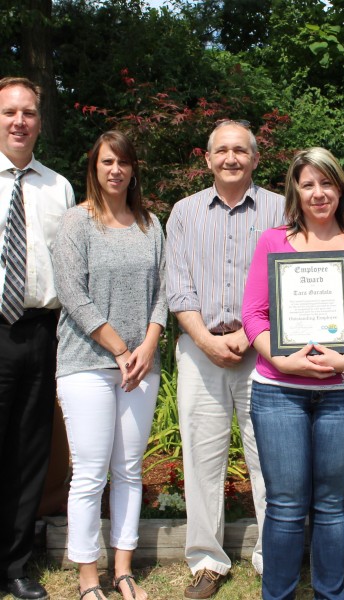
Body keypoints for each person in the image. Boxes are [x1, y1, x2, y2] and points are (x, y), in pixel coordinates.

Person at [242, 147, 344, 600]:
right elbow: (254, 315)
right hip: (279, 389)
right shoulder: (273, 242)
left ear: (340, 189)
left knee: (331, 505)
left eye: (326, 183)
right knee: (285, 505)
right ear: (296, 192)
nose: (318, 193)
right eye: (308, 185)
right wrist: (282, 360)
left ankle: (330, 594)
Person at [166, 120, 285, 599]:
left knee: (269, 458)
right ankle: (207, 561)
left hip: (264, 352)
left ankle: (271, 557)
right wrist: (206, 340)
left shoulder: (281, 208)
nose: (231, 158)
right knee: (202, 458)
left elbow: (288, 281)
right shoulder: (184, 212)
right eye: (222, 150)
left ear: (255, 158)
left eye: (240, 150)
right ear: (208, 158)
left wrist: (249, 336)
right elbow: (177, 285)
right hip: (200, 351)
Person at [53, 130, 167, 600]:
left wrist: (148, 345)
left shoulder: (150, 224)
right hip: (87, 364)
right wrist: (120, 348)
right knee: (89, 473)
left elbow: (163, 292)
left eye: (123, 162)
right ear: (94, 168)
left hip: (140, 367)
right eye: (106, 162)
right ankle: (87, 576)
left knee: (128, 471)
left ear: (133, 168)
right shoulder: (75, 223)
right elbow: (71, 293)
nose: (115, 170)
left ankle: (122, 570)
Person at [0, 76, 75, 600]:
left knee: (29, 451)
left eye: (28, 113)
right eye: (9, 112)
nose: (19, 121)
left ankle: (15, 564)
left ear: (40, 122)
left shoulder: (59, 188)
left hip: (41, 332)